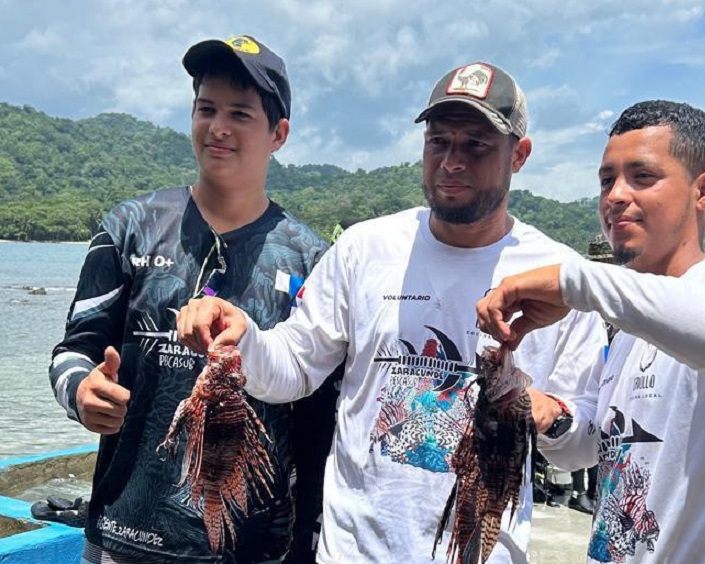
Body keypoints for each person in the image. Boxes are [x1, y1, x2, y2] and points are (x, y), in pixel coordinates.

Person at [176, 61, 607, 563]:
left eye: (476, 145)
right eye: (438, 141)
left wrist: (549, 414)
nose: (451, 160)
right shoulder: (366, 248)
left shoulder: (561, 278)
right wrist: (243, 335)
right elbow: (294, 367)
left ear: (520, 156)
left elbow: (585, 447)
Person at [49, 35, 339, 564]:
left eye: (240, 114)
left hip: (256, 548)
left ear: (279, 134)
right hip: (125, 536)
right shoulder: (130, 227)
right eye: (206, 109)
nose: (218, 127)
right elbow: (74, 349)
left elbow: (318, 418)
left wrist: (309, 542)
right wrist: (81, 392)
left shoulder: (312, 259)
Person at [477, 100, 705, 563]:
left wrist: (574, 281)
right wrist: (550, 414)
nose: (616, 195)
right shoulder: (630, 332)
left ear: (703, 190)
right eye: (607, 180)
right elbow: (590, 450)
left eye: (642, 177)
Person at [566, 235, 616, 516]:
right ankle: (579, 491)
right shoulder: (585, 301)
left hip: (611, 371)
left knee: (604, 433)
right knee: (582, 425)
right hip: (589, 370)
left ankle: (595, 491)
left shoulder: (620, 297)